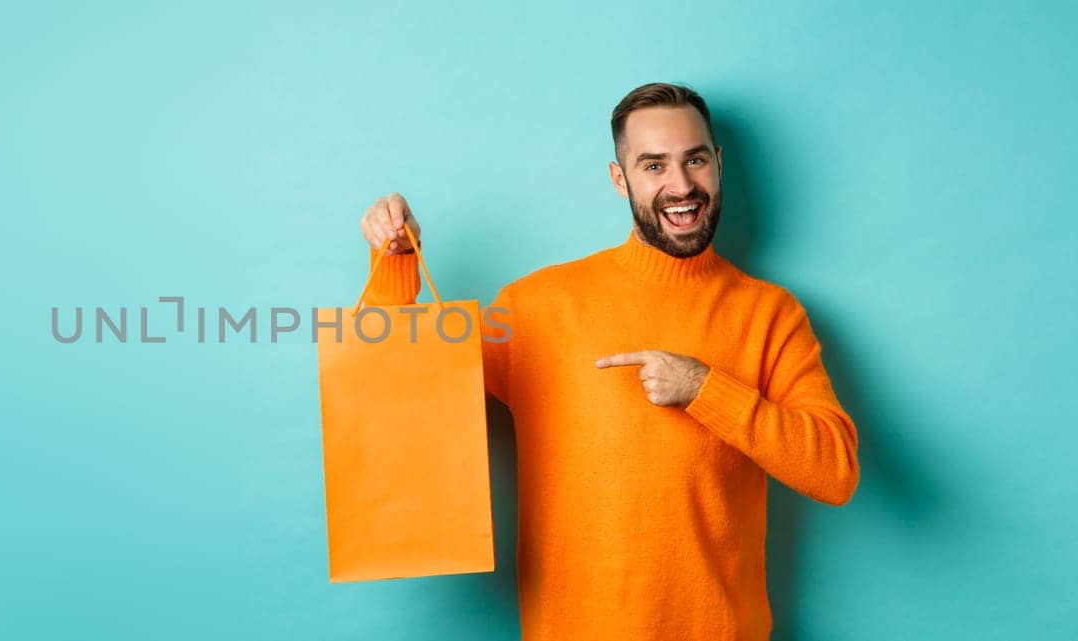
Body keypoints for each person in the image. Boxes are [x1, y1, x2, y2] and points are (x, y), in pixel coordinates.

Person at [355, 82, 860, 641]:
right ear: (620, 180)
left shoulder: (771, 314)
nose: (681, 185)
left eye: (695, 160)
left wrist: (705, 389)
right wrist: (396, 266)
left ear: (718, 164)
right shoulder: (535, 306)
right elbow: (404, 385)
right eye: (653, 165)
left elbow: (835, 472)